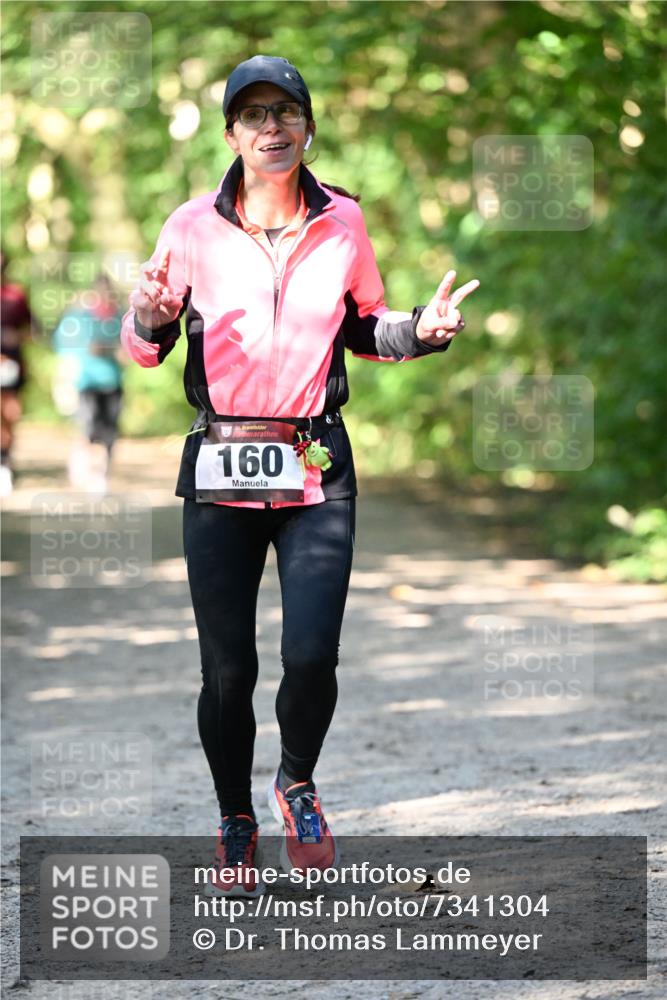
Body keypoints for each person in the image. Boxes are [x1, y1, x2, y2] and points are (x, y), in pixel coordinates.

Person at [121, 55, 480, 895]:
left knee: (312, 654)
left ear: (307, 125)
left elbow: (365, 329)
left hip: (316, 463)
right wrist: (146, 316)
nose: (270, 128)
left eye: (285, 111)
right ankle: (233, 818)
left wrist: (420, 331)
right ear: (231, 134)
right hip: (221, 467)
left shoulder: (344, 222)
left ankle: (296, 784)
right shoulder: (188, 226)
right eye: (253, 115)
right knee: (228, 671)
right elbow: (145, 349)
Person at [52, 273, 124, 494]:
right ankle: (88, 471)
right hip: (86, 383)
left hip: (113, 382)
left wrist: (118, 352)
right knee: (88, 429)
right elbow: (62, 344)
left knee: (110, 433)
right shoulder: (80, 318)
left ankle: (102, 473)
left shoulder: (119, 317)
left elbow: (129, 350)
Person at [0, 249, 40, 496]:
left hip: (11, 366)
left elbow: (34, 329)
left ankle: (5, 462)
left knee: (10, 414)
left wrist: (17, 337)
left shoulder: (16, 295)